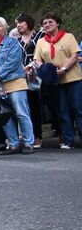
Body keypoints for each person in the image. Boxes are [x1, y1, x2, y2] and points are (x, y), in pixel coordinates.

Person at [0, 17, 35, 154]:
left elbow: (13, 61)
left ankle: (29, 142)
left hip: (14, 81)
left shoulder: (13, 43)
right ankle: (13, 143)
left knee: (21, 112)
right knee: (4, 114)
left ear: (5, 28)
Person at [34, 13, 82, 149]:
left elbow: (75, 54)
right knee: (62, 111)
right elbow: (37, 60)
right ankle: (68, 140)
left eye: (50, 22)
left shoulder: (68, 37)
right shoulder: (41, 42)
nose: (47, 25)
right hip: (54, 81)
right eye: (44, 23)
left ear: (57, 23)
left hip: (73, 78)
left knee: (78, 109)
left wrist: (64, 69)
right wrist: (45, 69)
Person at [15, 14, 45, 146]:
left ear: (28, 22)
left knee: (49, 103)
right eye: (16, 23)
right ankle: (37, 135)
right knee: (33, 105)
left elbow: (44, 53)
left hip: (41, 71)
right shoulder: (17, 41)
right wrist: (24, 69)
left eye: (21, 22)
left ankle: (61, 133)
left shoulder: (40, 36)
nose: (18, 25)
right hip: (27, 76)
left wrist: (32, 66)